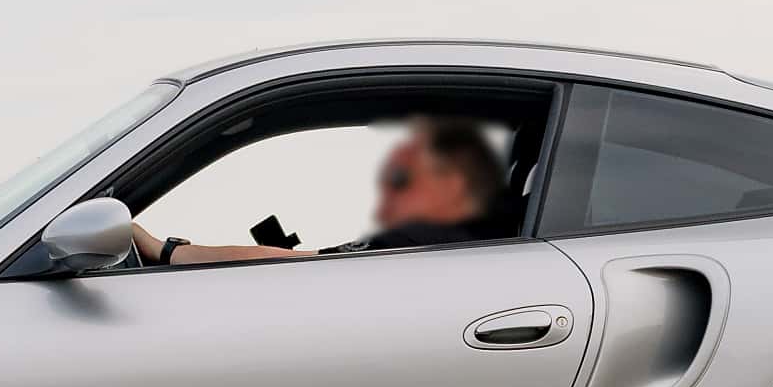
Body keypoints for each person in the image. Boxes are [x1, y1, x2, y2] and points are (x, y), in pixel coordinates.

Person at [133, 116, 509, 267]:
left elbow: (292, 267)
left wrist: (166, 251)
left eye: (400, 179)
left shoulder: (422, 241)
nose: (387, 191)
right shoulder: (476, 248)